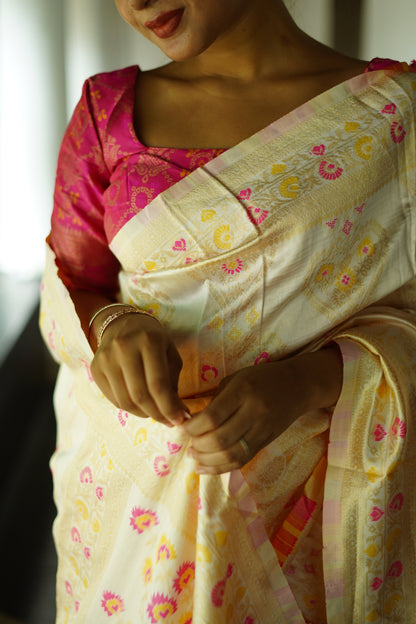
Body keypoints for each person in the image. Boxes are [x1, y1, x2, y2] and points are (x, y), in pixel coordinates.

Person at [40, 0, 416, 622]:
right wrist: (115, 324)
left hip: (307, 525)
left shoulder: (392, 120)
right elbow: (75, 282)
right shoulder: (107, 114)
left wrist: (309, 381)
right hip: (133, 527)